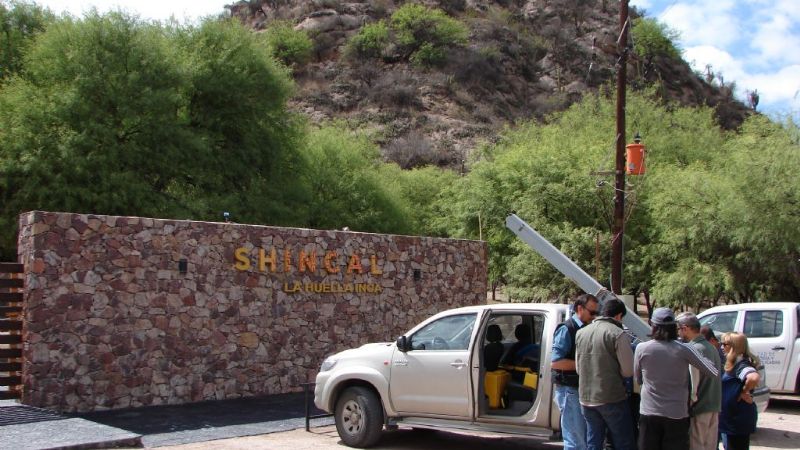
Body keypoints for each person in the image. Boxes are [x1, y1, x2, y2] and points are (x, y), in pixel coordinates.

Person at [634, 308, 719, 450]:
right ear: (675, 327)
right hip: (677, 414)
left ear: (652, 325)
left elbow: (638, 379)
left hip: (649, 411)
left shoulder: (641, 348)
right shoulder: (685, 349)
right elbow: (712, 371)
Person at [575, 298, 636, 450]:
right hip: (611, 397)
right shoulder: (618, 333)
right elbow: (628, 370)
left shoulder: (581, 332)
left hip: (586, 398)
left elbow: (578, 368)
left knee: (594, 441)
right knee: (624, 441)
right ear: (619, 316)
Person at [550, 294, 599, 450]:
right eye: (592, 313)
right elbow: (556, 362)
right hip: (569, 390)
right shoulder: (567, 329)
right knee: (575, 440)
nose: (594, 317)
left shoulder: (586, 328)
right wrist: (585, 364)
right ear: (579, 309)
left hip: (581, 389)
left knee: (582, 439)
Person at [677, 313, 723, 450]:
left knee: (697, 445)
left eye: (679, 329)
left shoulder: (693, 349)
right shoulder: (711, 347)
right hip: (714, 405)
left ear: (685, 328)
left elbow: (693, 385)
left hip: (701, 407)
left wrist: (691, 404)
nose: (679, 333)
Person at [719, 332, 760, 450]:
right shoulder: (734, 363)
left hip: (738, 419)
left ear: (734, 346)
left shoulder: (741, 364)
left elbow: (753, 377)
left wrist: (745, 391)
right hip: (732, 418)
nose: (722, 347)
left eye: (725, 344)